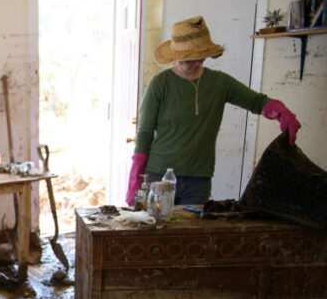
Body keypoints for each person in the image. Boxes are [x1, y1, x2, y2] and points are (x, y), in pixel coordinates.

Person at [126, 16, 301, 206]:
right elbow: (144, 132)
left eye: (203, 54)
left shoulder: (220, 83)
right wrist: (135, 178)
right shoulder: (160, 84)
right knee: (157, 232)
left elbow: (256, 101)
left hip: (198, 180)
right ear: (180, 54)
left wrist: (281, 112)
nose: (200, 60)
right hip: (159, 176)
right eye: (195, 55)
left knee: (192, 235)